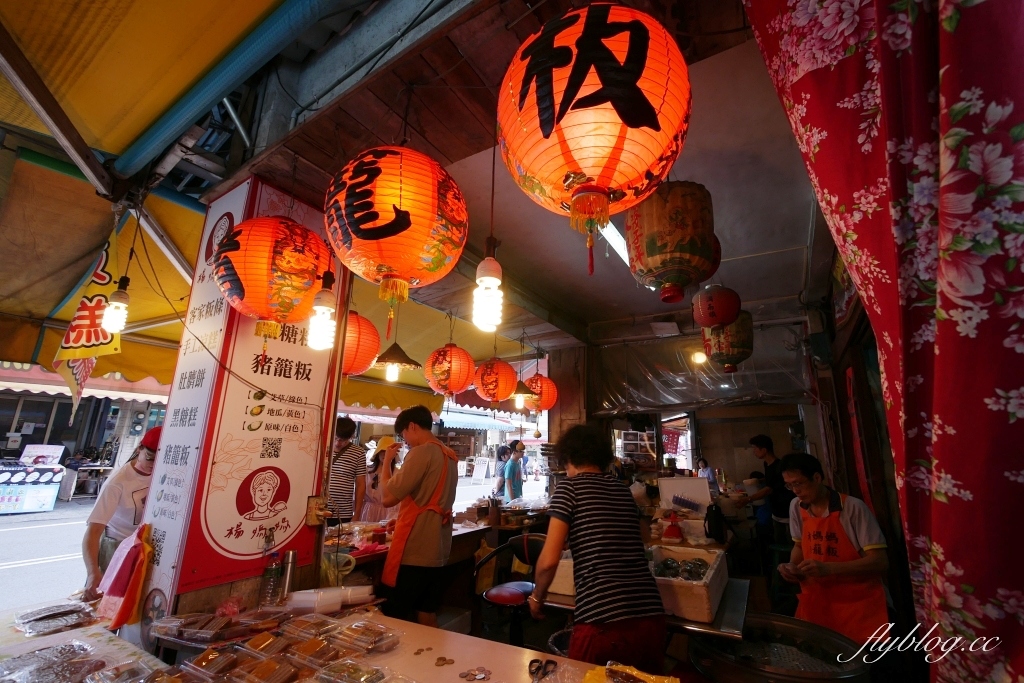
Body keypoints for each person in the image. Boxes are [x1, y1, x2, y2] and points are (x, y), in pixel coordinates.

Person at [529, 425, 666, 674]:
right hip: (650, 618)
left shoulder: (568, 489)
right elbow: (645, 537)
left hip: (602, 623)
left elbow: (549, 560)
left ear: (568, 458)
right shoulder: (622, 490)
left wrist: (537, 597)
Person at [777, 453, 889, 644]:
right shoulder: (796, 507)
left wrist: (828, 568)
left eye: (798, 483)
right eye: (789, 485)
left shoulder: (853, 508)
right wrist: (790, 566)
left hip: (857, 606)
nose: (795, 490)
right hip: (817, 602)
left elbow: (880, 561)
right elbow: (799, 546)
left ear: (817, 478)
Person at [377, 405, 459, 626]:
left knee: (394, 614)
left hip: (416, 548)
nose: (405, 440)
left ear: (412, 426)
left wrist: (386, 462)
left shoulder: (422, 452)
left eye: (404, 434)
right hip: (439, 547)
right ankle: (431, 658)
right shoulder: (448, 454)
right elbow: (430, 500)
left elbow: (387, 497)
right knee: (426, 611)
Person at [82, 426, 161, 600]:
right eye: (150, 458)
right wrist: (92, 572)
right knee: (110, 605)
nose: (154, 465)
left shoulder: (162, 472)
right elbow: (93, 532)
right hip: (117, 549)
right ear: (140, 448)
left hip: (144, 547)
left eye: (161, 460)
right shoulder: (117, 483)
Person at [735, 435, 795, 544]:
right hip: (775, 509)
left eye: (755, 448)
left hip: (784, 510)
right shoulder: (767, 463)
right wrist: (758, 480)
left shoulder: (778, 465)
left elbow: (769, 489)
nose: (754, 452)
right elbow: (771, 480)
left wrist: (748, 499)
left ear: (764, 450)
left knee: (787, 541)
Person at [327, 417, 365, 525]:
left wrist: (357, 514)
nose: (338, 443)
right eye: (336, 438)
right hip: (319, 510)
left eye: (343, 440)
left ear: (351, 437)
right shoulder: (323, 447)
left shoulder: (359, 453)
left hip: (343, 513)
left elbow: (360, 485)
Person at [359, 436, 399, 523]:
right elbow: (360, 491)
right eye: (383, 451)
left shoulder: (398, 473)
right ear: (378, 452)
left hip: (388, 512)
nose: (385, 454)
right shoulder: (367, 470)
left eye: (388, 451)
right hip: (369, 510)